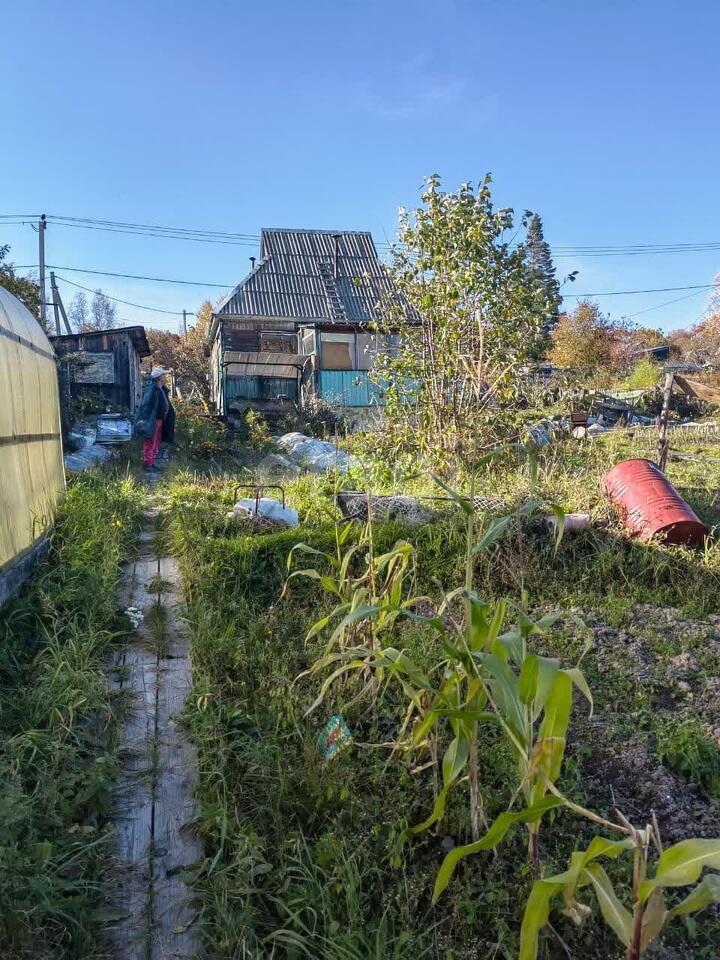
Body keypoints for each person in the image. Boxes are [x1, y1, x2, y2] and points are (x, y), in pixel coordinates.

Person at [137, 368, 171, 472]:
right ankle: (148, 464)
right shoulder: (152, 388)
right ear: (159, 378)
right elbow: (145, 404)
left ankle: (152, 462)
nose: (165, 377)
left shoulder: (160, 387)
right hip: (152, 419)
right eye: (163, 375)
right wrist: (147, 418)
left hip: (159, 419)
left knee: (156, 441)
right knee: (150, 441)